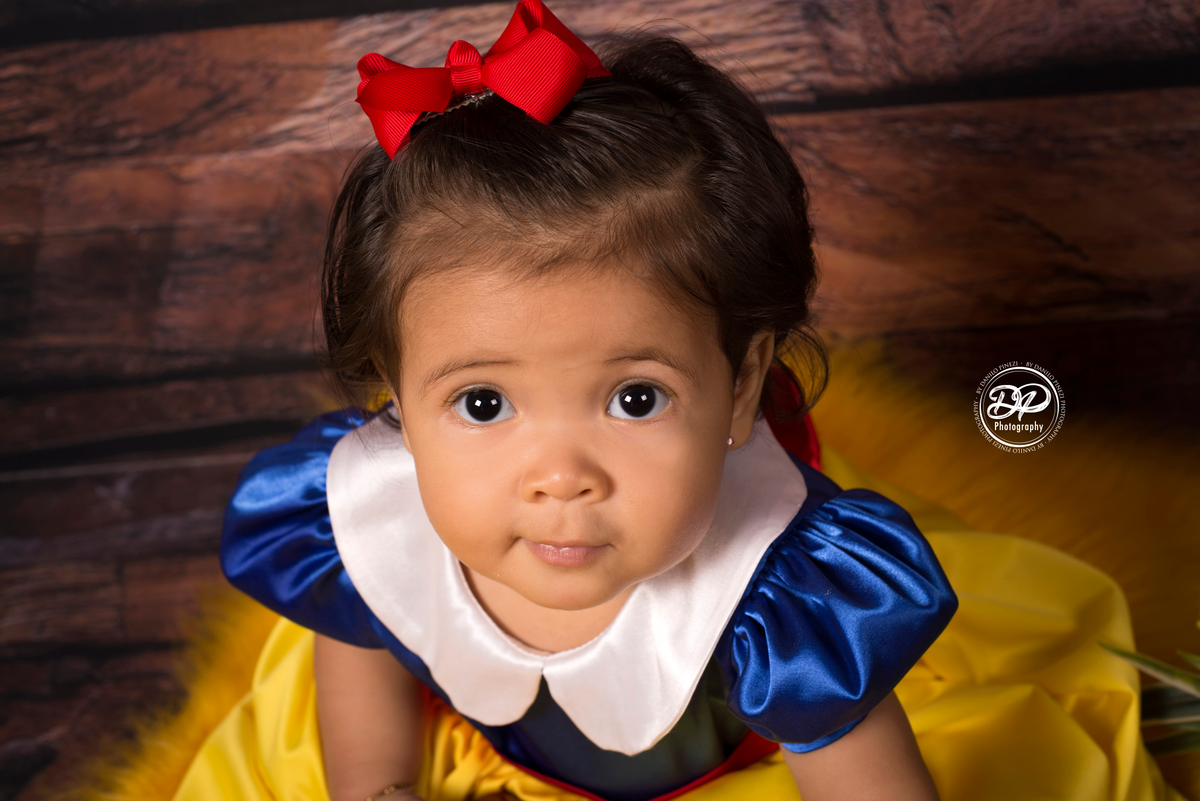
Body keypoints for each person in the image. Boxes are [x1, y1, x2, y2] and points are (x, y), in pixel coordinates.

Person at [216, 2, 961, 798]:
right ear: (396, 396)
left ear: (742, 385)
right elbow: (365, 616)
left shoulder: (782, 590)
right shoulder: (377, 503)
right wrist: (376, 783)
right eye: (482, 403)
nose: (561, 476)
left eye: (636, 398)